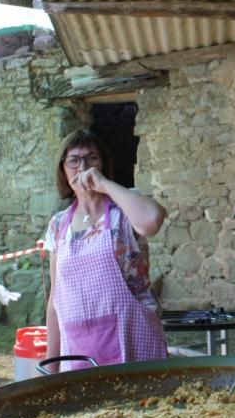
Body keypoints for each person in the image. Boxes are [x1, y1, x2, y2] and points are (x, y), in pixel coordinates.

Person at [44, 129, 168, 370]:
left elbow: (152, 220)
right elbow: (55, 299)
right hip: (79, 349)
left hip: (133, 341)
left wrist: (104, 185)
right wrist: (51, 368)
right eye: (74, 160)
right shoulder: (58, 225)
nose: (83, 166)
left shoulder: (123, 209)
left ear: (102, 165)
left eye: (92, 158)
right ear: (62, 169)